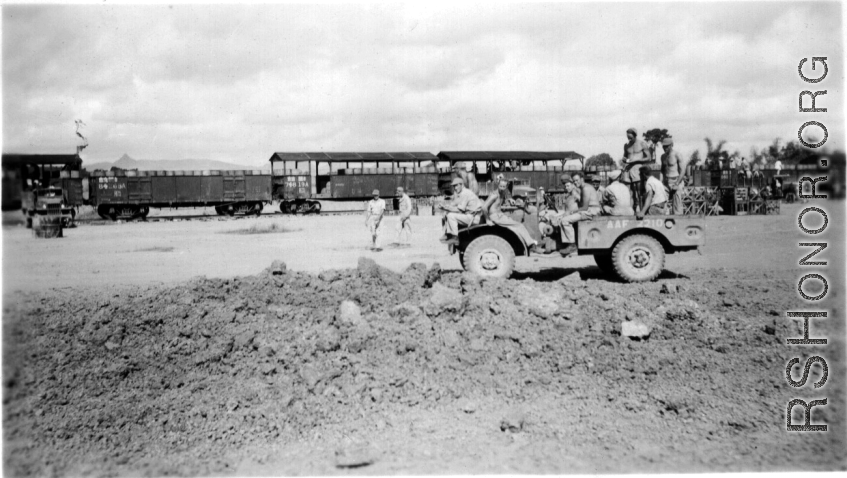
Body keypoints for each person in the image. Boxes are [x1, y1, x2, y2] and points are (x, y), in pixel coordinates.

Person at [552, 172, 601, 256]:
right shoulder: (582, 188)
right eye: (574, 181)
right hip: (589, 210)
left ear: (582, 179)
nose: (575, 182)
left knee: (565, 220)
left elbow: (584, 207)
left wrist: (571, 212)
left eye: (577, 180)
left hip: (591, 211)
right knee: (565, 218)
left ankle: (572, 245)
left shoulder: (585, 188)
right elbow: (581, 205)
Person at [482, 179, 539, 251]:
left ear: (506, 187)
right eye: (500, 186)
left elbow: (498, 203)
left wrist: (509, 200)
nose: (502, 188)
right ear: (498, 185)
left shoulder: (502, 193)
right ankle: (531, 245)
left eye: (504, 186)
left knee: (514, 225)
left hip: (500, 215)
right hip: (495, 216)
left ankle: (524, 243)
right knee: (519, 225)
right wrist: (487, 220)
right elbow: (484, 207)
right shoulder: (494, 195)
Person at [438, 177, 482, 245]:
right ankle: (448, 234)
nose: (455, 188)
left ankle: (455, 237)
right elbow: (456, 205)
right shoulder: (463, 193)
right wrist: (446, 207)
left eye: (456, 185)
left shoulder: (465, 193)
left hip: (473, 217)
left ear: (462, 185)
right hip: (470, 215)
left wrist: (446, 208)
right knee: (448, 213)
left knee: (450, 216)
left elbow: (460, 210)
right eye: (454, 186)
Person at [620, 127, 655, 205]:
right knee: (629, 192)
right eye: (628, 138)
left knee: (639, 193)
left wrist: (636, 160)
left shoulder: (642, 144)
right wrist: (624, 159)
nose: (629, 140)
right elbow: (625, 156)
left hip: (638, 169)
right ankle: (632, 211)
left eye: (631, 138)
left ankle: (642, 211)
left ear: (635, 136)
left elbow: (649, 158)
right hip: (628, 170)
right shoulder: (626, 145)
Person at [659, 137, 687, 215]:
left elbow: (683, 171)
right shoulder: (663, 156)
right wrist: (660, 183)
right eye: (663, 146)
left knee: (677, 206)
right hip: (666, 182)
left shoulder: (677, 155)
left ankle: (678, 223)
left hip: (676, 181)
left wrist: (677, 184)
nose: (665, 148)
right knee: (662, 202)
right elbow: (662, 170)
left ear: (672, 145)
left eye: (667, 146)